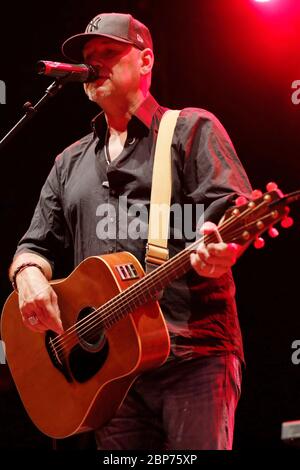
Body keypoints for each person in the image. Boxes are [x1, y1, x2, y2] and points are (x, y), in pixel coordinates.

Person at [8, 12, 252, 450]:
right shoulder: (69, 162)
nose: (94, 64)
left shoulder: (191, 129)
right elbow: (34, 245)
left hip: (191, 356)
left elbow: (232, 210)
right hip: (111, 375)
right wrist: (27, 276)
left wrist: (223, 246)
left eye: (108, 53)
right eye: (88, 59)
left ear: (145, 61)